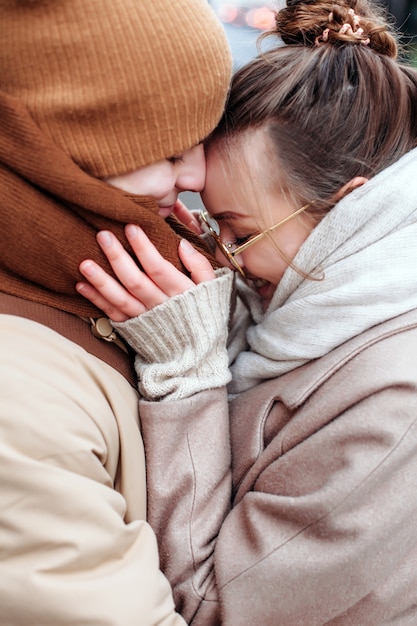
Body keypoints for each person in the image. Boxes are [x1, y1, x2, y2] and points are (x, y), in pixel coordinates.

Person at [75, 0, 417, 623]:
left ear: (349, 214)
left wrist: (189, 374)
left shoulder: (396, 401)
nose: (223, 257)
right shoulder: (316, 316)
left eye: (238, 230)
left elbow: (212, 608)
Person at [0, 0, 232, 623]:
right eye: (167, 152)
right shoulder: (16, 397)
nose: (198, 175)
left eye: (202, 141)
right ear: (51, 154)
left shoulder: (83, 278)